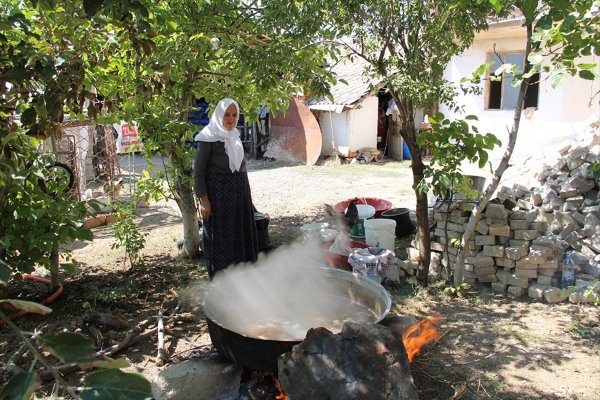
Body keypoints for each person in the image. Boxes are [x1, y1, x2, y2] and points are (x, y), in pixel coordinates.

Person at [193, 98, 258, 278]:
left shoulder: (235, 137)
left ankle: (242, 279)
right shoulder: (208, 138)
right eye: (227, 115)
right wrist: (204, 201)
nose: (231, 119)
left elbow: (242, 170)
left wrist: (249, 201)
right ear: (219, 116)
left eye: (235, 115)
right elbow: (198, 172)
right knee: (221, 241)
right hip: (219, 200)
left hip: (239, 197)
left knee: (240, 237)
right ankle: (222, 283)